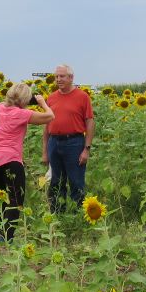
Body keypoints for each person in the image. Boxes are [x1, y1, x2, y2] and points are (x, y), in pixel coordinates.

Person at [0, 83, 55, 242]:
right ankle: (6, 237)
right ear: (24, 100)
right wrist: (42, 103)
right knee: (15, 198)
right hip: (9, 159)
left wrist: (17, 101)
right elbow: (50, 117)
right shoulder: (22, 114)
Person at [41, 64, 95, 213]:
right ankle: (57, 214)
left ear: (71, 77)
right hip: (54, 142)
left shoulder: (82, 97)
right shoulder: (51, 98)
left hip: (74, 143)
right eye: (56, 76)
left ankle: (80, 215)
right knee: (56, 182)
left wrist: (86, 149)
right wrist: (45, 151)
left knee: (76, 182)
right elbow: (46, 125)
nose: (58, 79)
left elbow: (90, 122)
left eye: (62, 76)